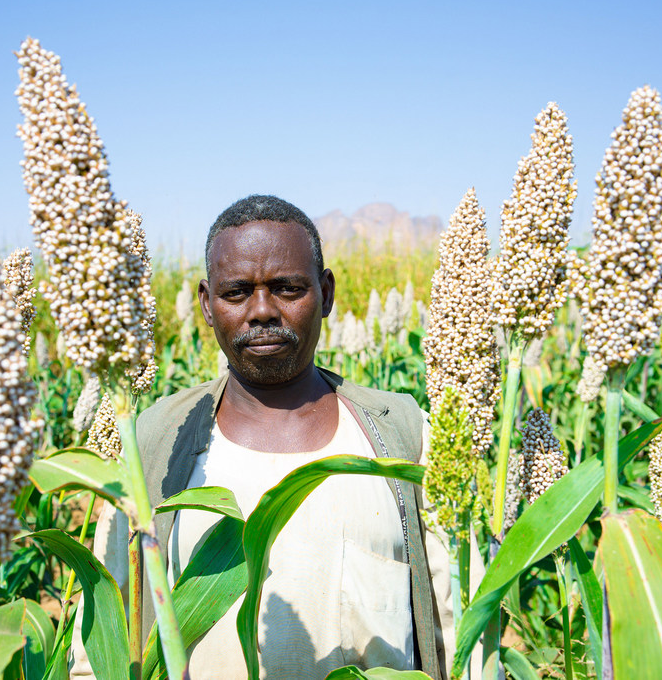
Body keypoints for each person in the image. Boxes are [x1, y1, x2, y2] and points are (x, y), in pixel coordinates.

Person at [71, 195, 479, 679]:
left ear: (326, 294)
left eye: (287, 289)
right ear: (206, 303)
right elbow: (101, 647)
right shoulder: (155, 447)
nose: (262, 310)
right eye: (237, 292)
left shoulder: (402, 435)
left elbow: (459, 627)